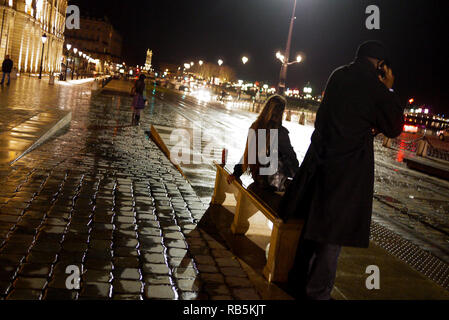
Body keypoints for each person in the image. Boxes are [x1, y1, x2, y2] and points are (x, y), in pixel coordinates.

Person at [281, 41, 404, 300]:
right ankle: (317, 293)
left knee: (311, 229)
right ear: (380, 65)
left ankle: (295, 282)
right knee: (331, 236)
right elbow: (393, 126)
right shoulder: (375, 87)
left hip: (320, 163)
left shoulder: (338, 75)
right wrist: (389, 87)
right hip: (347, 173)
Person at [228, 95, 299, 193]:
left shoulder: (255, 127)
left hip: (258, 179)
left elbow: (248, 155)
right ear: (280, 112)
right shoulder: (280, 132)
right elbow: (293, 162)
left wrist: (236, 173)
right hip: (274, 183)